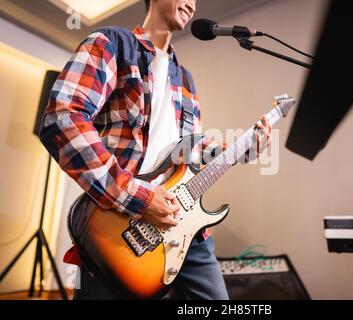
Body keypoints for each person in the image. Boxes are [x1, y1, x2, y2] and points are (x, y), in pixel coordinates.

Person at [39, 0, 271, 300]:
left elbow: (192, 149)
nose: (192, 2)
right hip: (117, 228)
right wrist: (140, 198)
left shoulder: (186, 80)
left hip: (185, 229)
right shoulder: (111, 44)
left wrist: (244, 149)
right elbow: (62, 117)